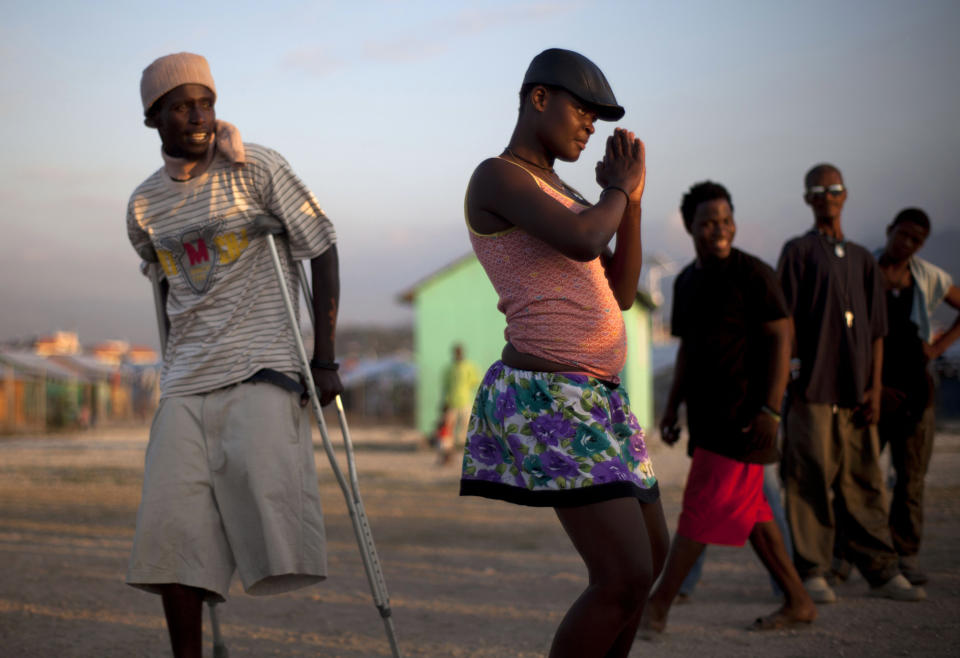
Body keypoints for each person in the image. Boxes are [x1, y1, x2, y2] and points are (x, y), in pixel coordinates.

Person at [125, 53, 343, 657]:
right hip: (186, 384)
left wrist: (323, 360)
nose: (197, 116)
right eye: (181, 106)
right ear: (154, 117)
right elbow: (162, 280)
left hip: (262, 370)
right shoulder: (142, 205)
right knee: (170, 535)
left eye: (206, 103)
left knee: (271, 524)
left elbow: (321, 246)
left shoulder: (259, 168)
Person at [459, 48, 668, 658]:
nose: (590, 126)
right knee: (623, 574)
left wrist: (631, 199)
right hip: (550, 397)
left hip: (599, 400)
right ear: (539, 98)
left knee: (647, 562)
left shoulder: (571, 192)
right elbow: (582, 241)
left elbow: (624, 290)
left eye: (598, 119)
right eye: (583, 110)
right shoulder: (497, 177)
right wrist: (617, 194)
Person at [642, 182, 815, 635]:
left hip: (744, 418)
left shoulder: (754, 274)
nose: (719, 229)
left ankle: (657, 608)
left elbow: (782, 340)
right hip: (705, 417)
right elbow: (687, 351)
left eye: (725, 220)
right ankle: (799, 601)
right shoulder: (686, 280)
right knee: (756, 516)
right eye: (708, 222)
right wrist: (672, 407)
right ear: (690, 227)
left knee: (699, 511)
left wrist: (771, 410)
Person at [777, 163, 924, 603]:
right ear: (808, 198)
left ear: (845, 194)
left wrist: (875, 388)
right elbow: (785, 319)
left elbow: (878, 331)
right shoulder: (798, 250)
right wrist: (794, 371)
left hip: (858, 390)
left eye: (834, 188)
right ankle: (814, 569)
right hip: (812, 388)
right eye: (818, 189)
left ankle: (881, 569)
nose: (827, 195)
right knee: (809, 478)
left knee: (865, 480)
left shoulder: (863, 259)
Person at [875, 207, 960, 585]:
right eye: (903, 235)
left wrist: (937, 348)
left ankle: (905, 555)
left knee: (910, 479)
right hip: (873, 390)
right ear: (890, 229)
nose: (907, 244)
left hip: (914, 391)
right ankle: (851, 554)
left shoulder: (925, 277)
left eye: (916, 241)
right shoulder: (866, 271)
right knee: (858, 477)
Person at [438, 344, 481, 464]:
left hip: (465, 402)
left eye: (459, 352)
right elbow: (445, 386)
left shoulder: (469, 367)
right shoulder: (449, 368)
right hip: (451, 403)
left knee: (465, 429)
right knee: (447, 429)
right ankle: (447, 454)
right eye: (456, 352)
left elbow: (475, 381)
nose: (458, 354)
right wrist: (444, 402)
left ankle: (464, 454)